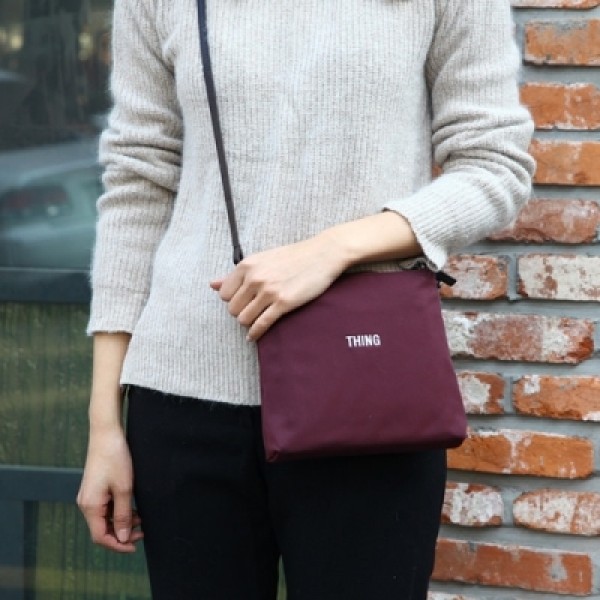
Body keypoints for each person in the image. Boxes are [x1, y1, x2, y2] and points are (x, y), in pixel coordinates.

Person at [77, 1, 535, 598]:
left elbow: (494, 166)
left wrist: (331, 250)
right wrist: (104, 424)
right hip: (184, 398)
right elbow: (138, 184)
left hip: (365, 394)